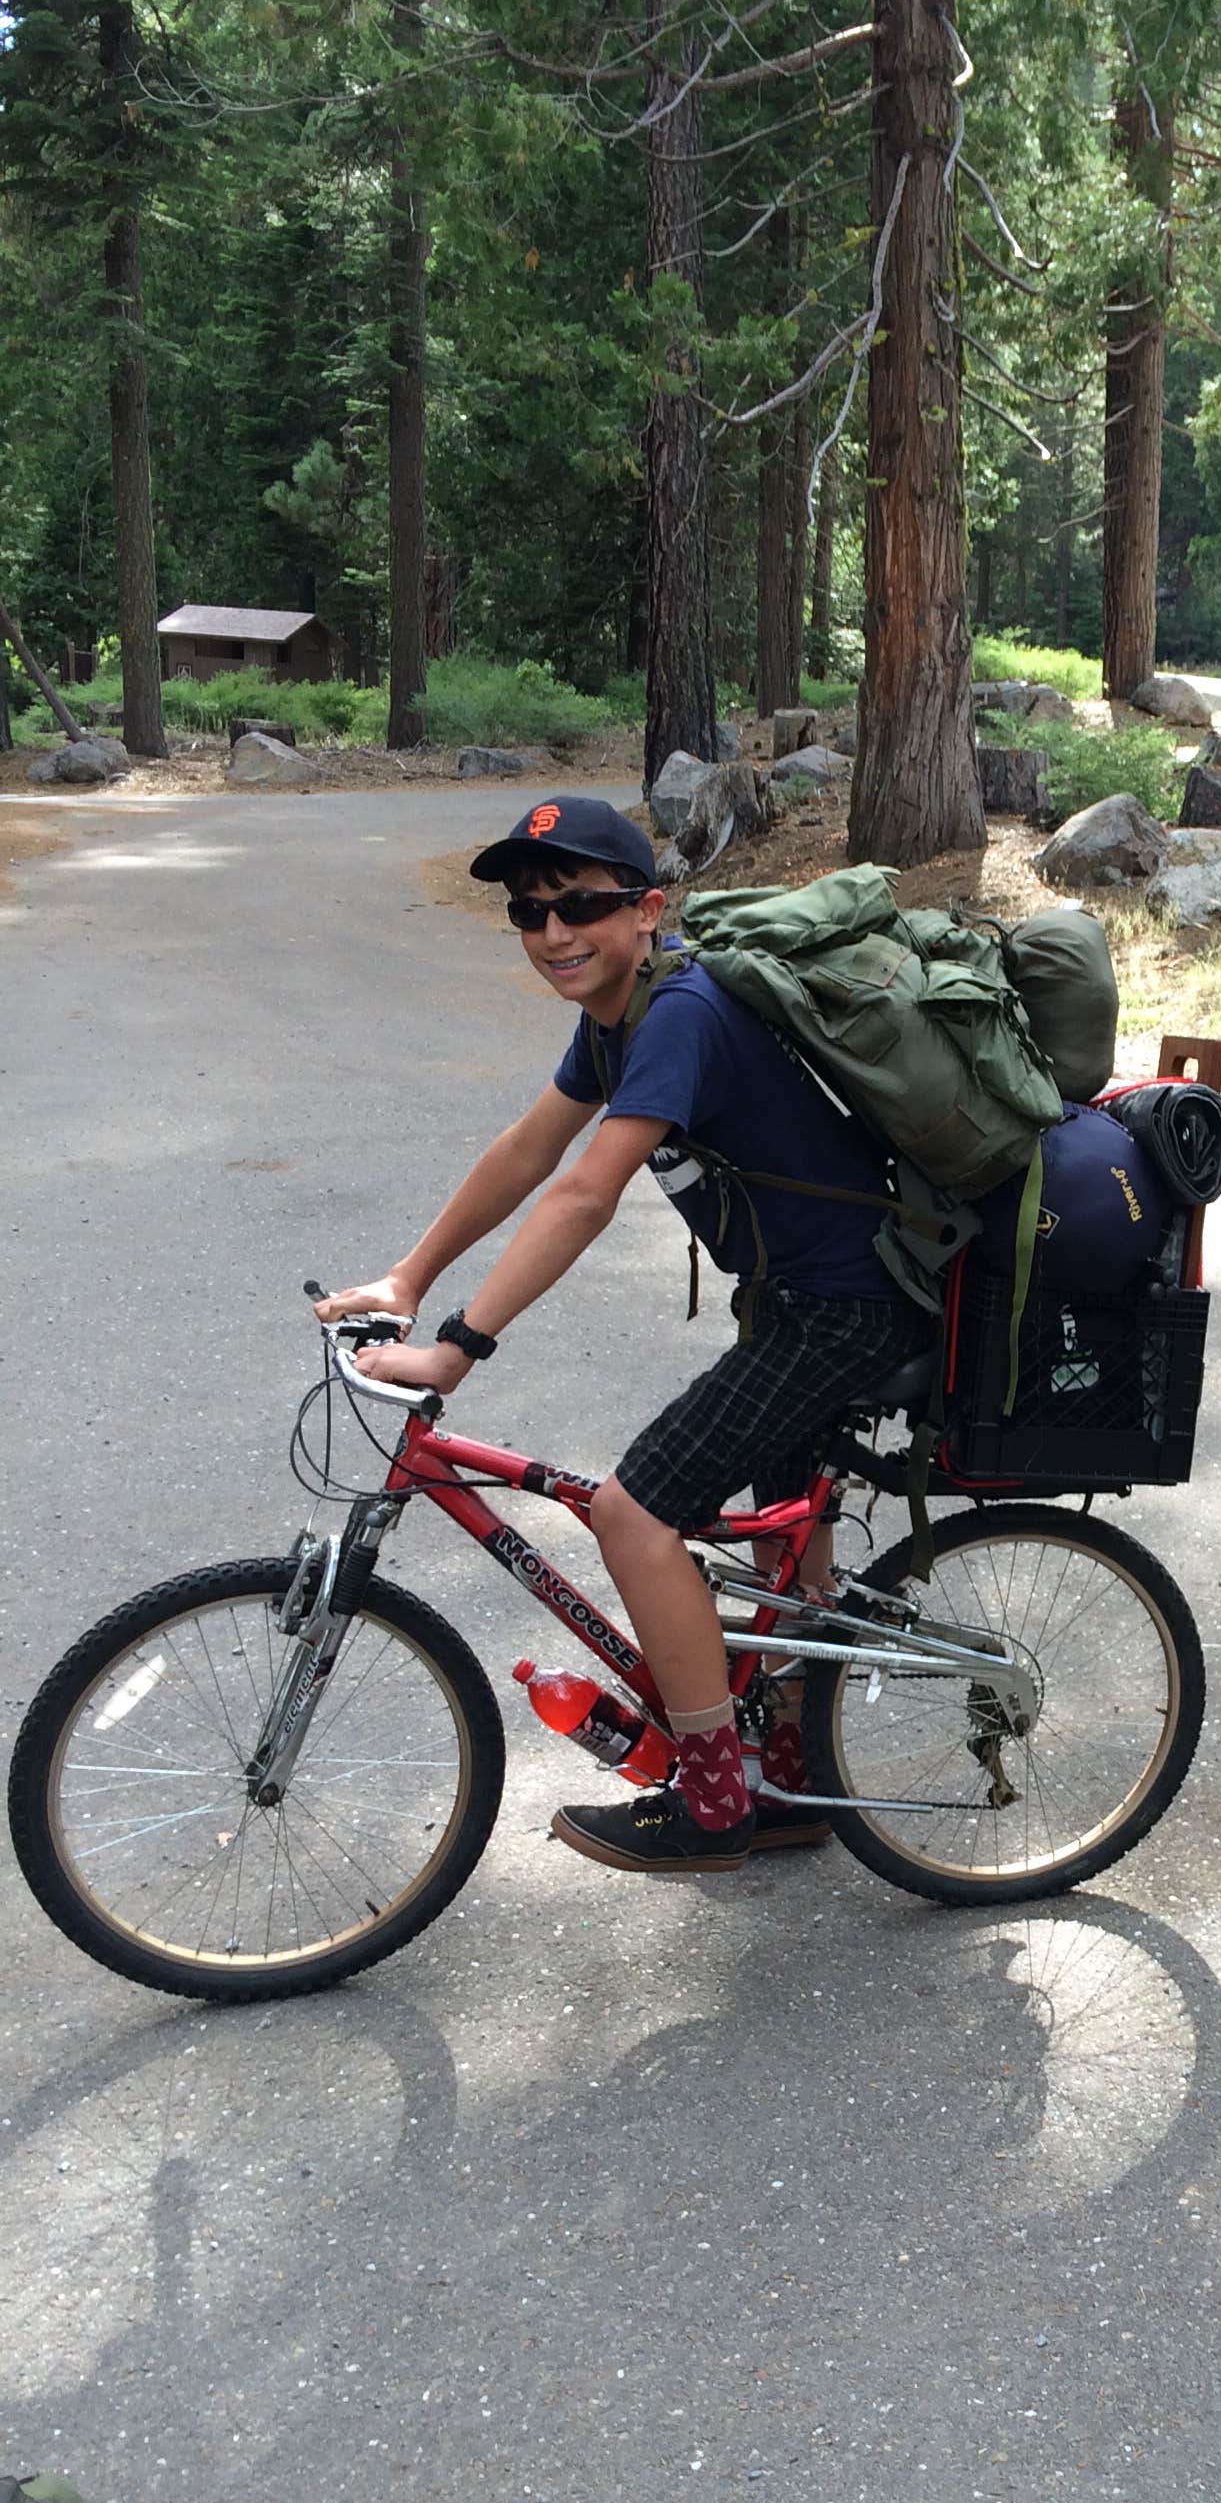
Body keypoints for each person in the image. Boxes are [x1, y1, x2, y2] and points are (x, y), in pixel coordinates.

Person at [317, 795, 936, 1874]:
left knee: (634, 1516)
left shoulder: (681, 1013)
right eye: (530, 914)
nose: (555, 933)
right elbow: (527, 1152)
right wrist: (408, 1277)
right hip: (799, 1299)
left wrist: (456, 1347)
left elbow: (583, 1194)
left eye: (583, 906)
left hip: (846, 1310)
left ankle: (714, 1804)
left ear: (648, 911)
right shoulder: (619, 1016)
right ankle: (787, 1764)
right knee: (787, 1559)